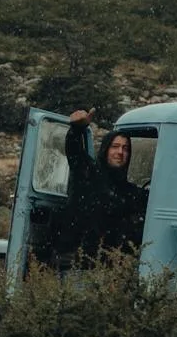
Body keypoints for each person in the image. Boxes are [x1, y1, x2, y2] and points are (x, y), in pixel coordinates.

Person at [63, 109, 148, 264]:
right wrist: (76, 129)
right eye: (115, 146)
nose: (120, 152)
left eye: (125, 148)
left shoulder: (130, 192)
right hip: (82, 264)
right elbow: (74, 152)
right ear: (106, 149)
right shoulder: (88, 174)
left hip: (113, 269)